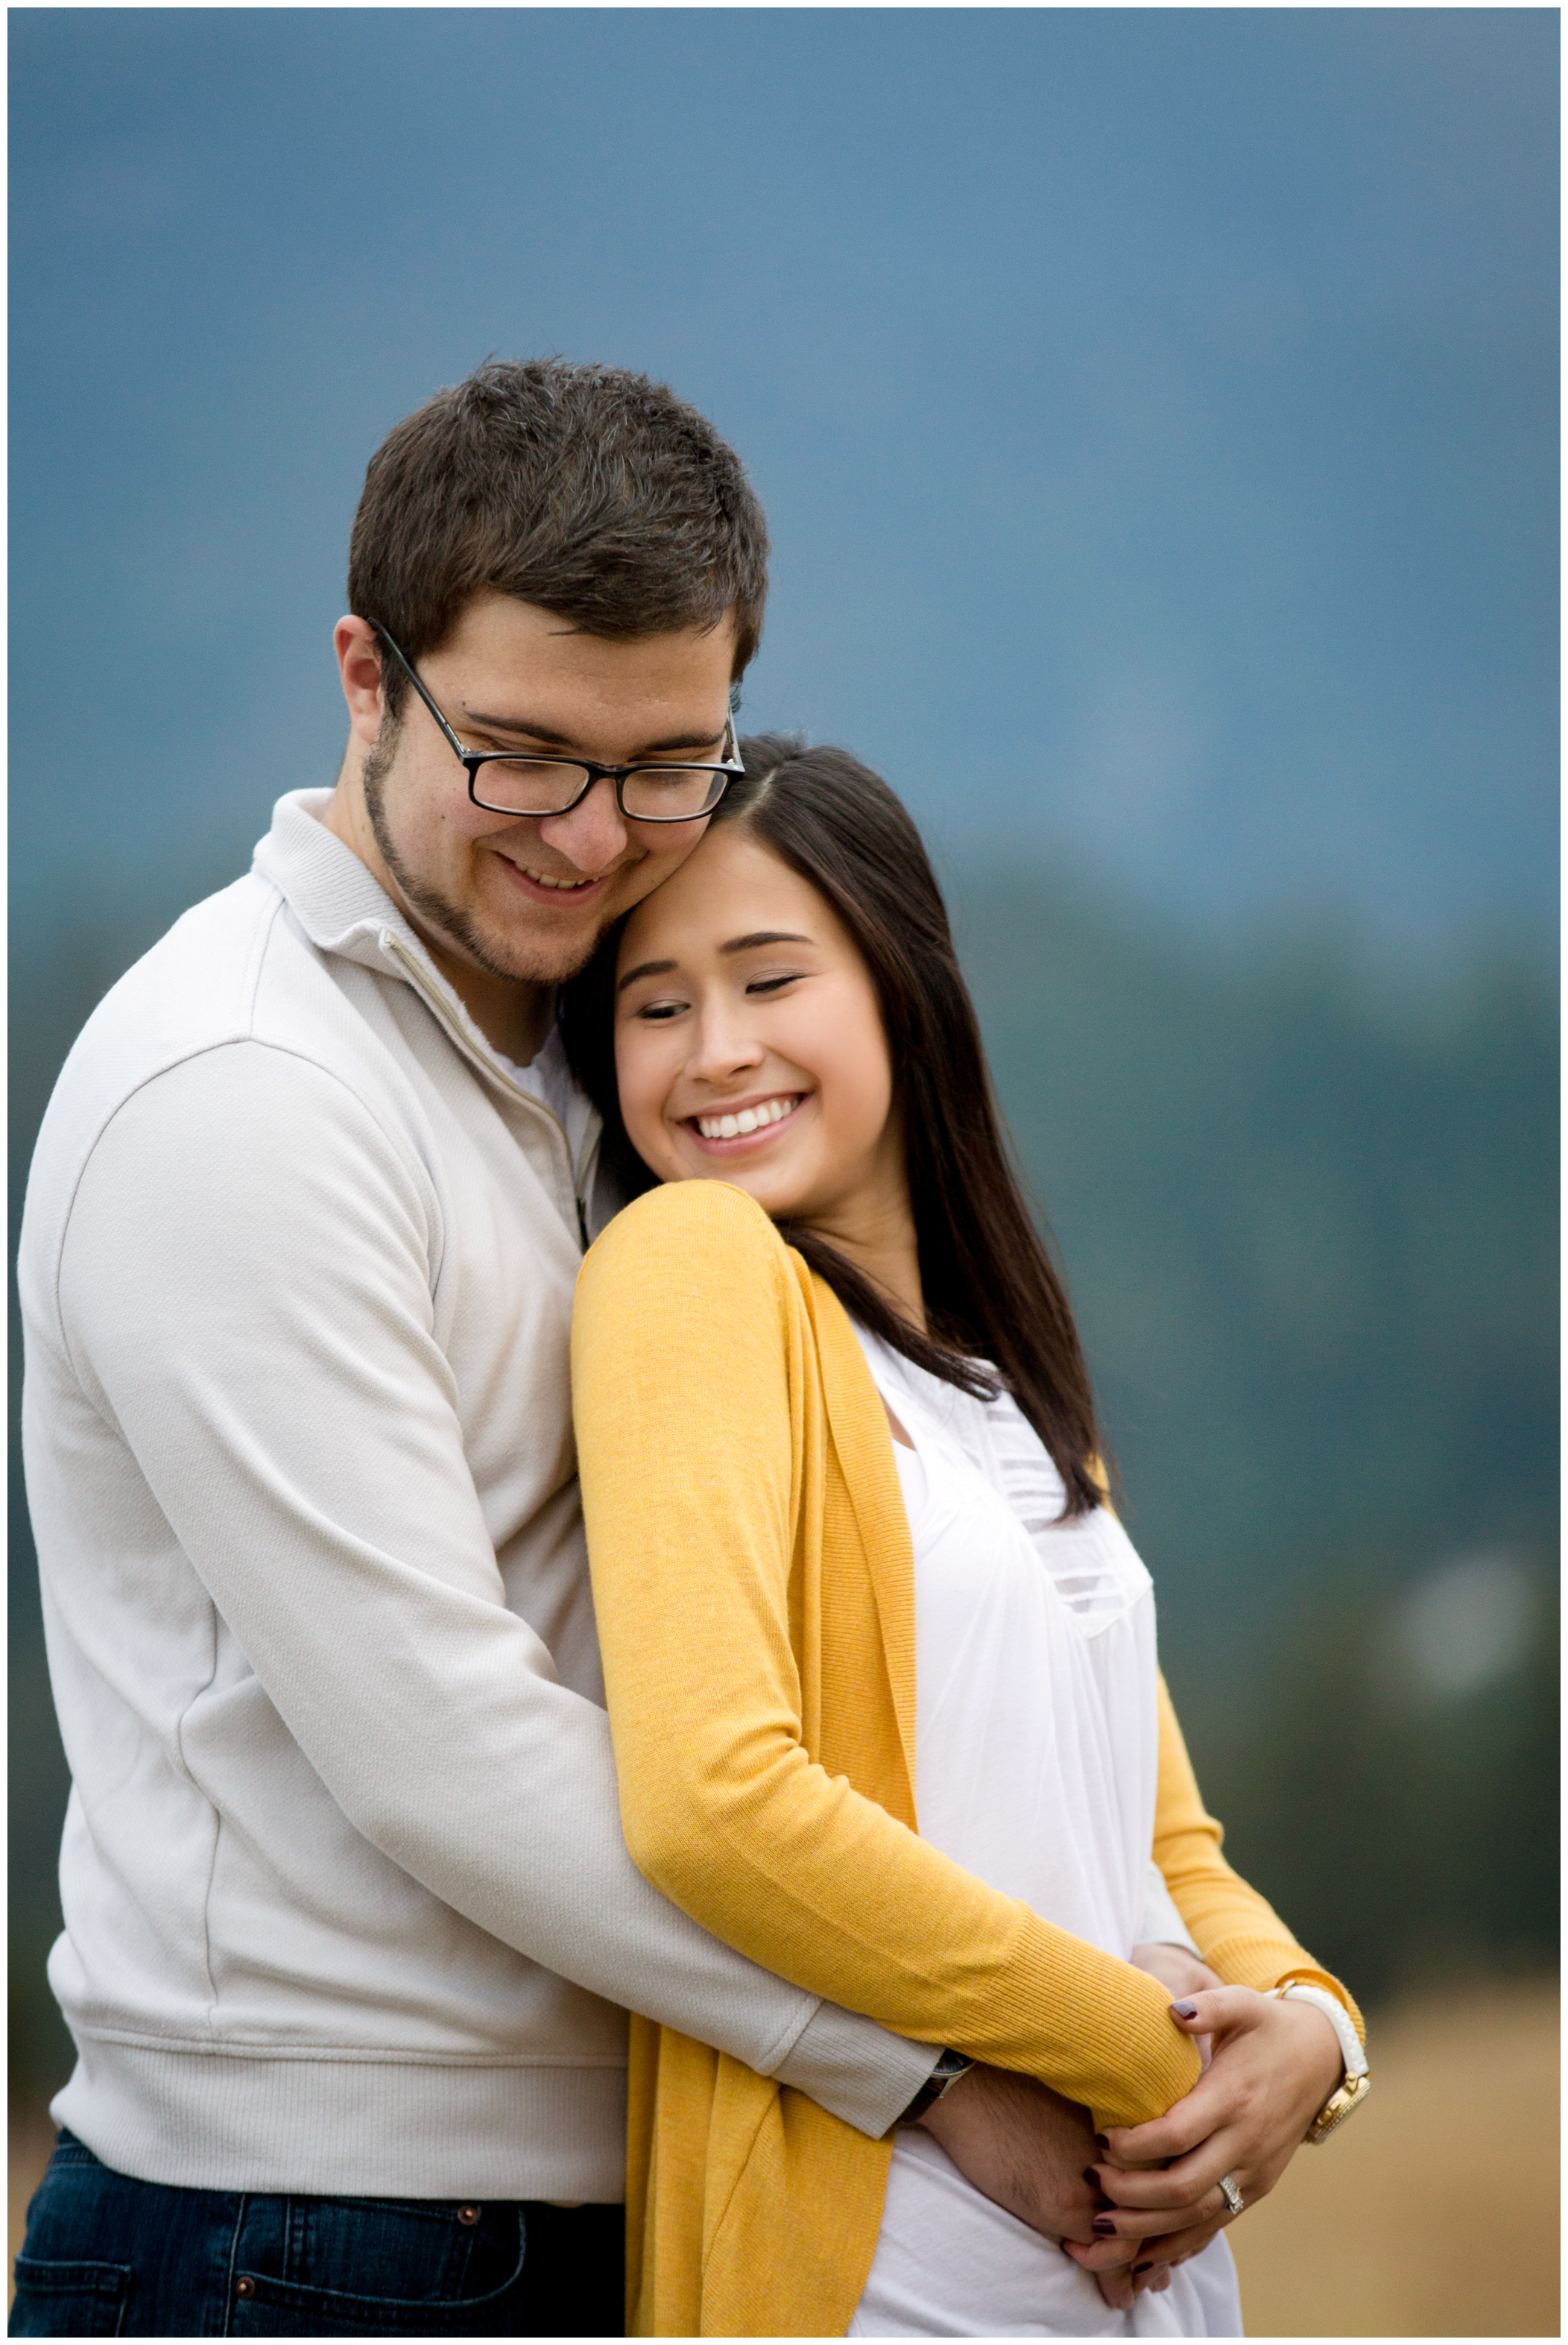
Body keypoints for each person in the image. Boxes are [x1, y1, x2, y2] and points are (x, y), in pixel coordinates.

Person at [17, 359, 1210, 2339]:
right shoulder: (241, 1090)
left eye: (670, 762)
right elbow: (445, 1752)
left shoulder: (581, 1072)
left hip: (603, 2195)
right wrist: (928, 2068)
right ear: (365, 674)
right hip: (311, 2234)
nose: (594, 835)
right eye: (526, 754)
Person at [563, 738, 1371, 2338]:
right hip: (883, 2267)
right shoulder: (689, 1268)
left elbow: (1157, 1842)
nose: (713, 1052)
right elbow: (711, 1803)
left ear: (899, 987)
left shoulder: (999, 1384)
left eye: (766, 979)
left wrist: (1304, 2032)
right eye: (654, 1005)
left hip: (1128, 2273)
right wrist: (1138, 2056)